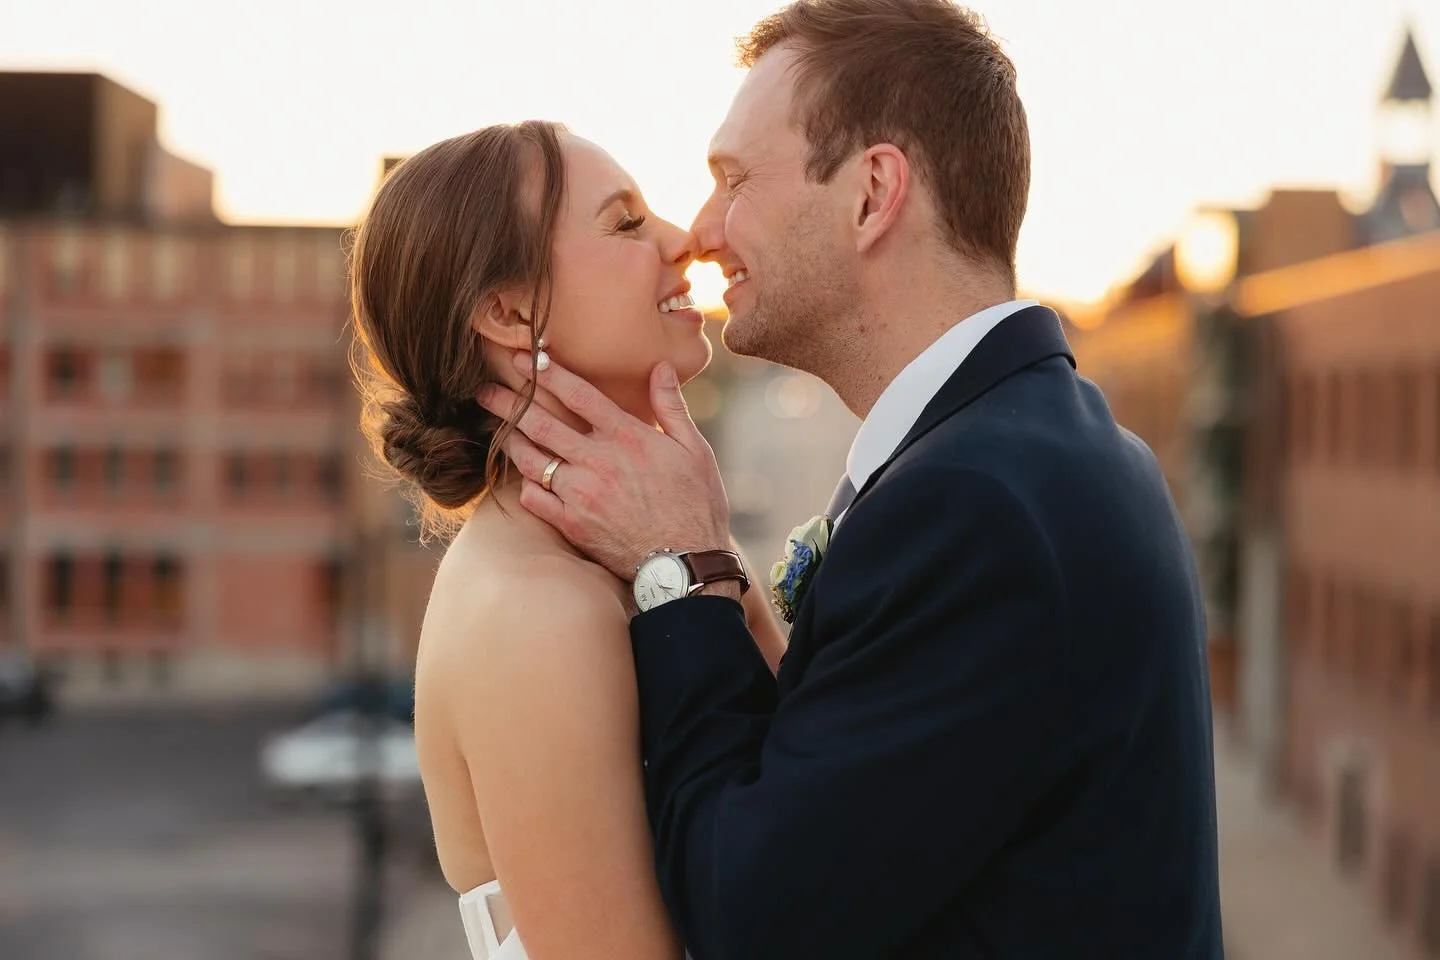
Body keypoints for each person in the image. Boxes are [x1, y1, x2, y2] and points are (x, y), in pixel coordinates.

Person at [480, 1, 1226, 957]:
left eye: (734, 180)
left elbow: (749, 917)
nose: (699, 233)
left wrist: (682, 571)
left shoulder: (975, 507)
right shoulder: (1042, 451)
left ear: (873, 193)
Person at [347, 121, 787, 959]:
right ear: (508, 313)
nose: (682, 239)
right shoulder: (536, 612)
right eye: (625, 224)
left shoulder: (657, 553)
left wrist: (702, 549)